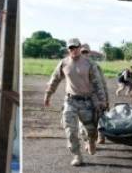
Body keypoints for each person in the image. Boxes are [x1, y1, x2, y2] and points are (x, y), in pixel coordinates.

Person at [44, 38, 107, 167]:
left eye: (76, 47)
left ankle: (91, 141)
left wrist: (102, 100)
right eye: (71, 48)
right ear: (68, 50)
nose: (73, 50)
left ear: (80, 47)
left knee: (90, 130)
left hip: (87, 102)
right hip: (70, 101)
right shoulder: (64, 63)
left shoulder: (90, 63)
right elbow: (54, 79)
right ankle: (77, 155)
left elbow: (98, 83)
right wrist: (48, 95)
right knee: (70, 131)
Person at [80, 44, 109, 145]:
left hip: (96, 96)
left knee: (99, 117)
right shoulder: (77, 66)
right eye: (82, 52)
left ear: (89, 53)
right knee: (85, 120)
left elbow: (103, 83)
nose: (84, 54)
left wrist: (106, 99)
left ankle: (101, 136)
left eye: (86, 52)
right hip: (83, 98)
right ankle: (89, 140)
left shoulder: (96, 66)